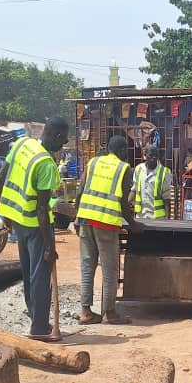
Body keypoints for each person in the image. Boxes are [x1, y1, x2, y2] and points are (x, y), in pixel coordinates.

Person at [0, 118, 69, 338]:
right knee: (40, 276)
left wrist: (7, 212)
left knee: (29, 273)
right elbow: (41, 209)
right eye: (63, 140)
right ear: (56, 136)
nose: (64, 144)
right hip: (37, 227)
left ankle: (35, 317)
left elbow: (1, 178)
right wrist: (49, 246)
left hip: (18, 221)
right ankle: (39, 328)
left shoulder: (21, 144)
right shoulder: (46, 163)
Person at [75, 135, 143, 325]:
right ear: (122, 150)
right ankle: (109, 312)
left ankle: (86, 311)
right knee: (110, 269)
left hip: (86, 219)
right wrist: (134, 224)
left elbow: (80, 191)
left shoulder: (93, 162)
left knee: (87, 266)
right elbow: (123, 202)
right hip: (106, 223)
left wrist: (77, 217)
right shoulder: (123, 168)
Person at [132, 144, 174, 219]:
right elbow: (134, 190)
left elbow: (167, 199)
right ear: (145, 156)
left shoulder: (164, 173)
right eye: (151, 155)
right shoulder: (138, 169)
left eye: (156, 155)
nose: (154, 158)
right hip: (141, 216)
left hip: (157, 219)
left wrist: (168, 221)